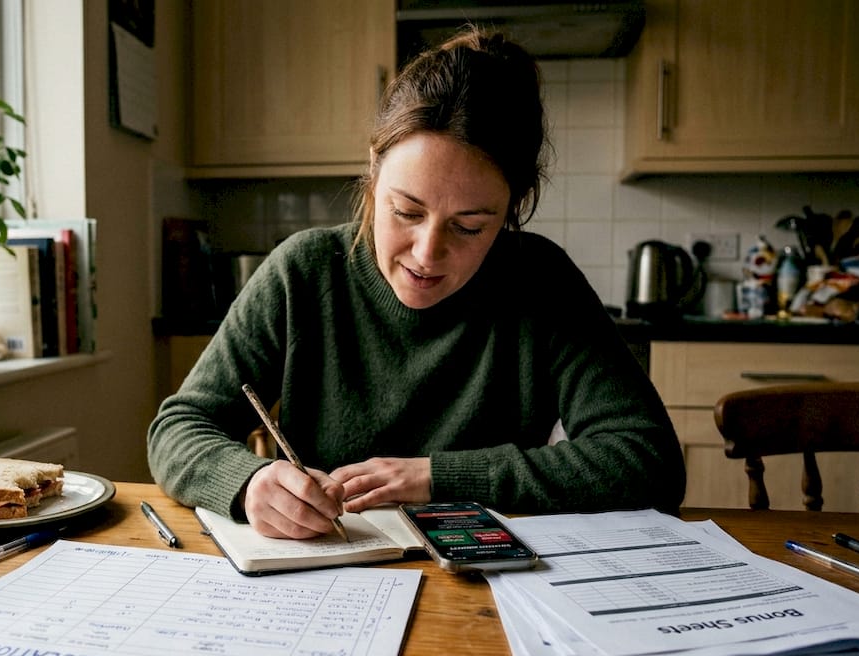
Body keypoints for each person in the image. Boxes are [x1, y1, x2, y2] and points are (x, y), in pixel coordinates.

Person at [148, 28, 686, 539]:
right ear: (373, 177)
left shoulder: (541, 280)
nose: (428, 254)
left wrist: (437, 477)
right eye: (406, 211)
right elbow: (179, 426)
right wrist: (248, 483)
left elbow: (647, 460)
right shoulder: (304, 270)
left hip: (490, 585)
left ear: (511, 212)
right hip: (334, 573)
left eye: (470, 227)